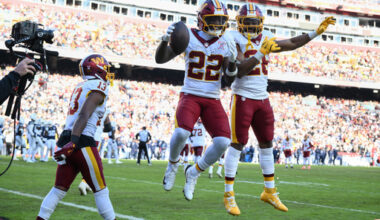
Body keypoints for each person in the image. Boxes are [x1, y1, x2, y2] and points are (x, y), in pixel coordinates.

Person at [223, 3, 336, 215]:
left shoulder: (266, 36)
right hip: (243, 96)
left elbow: (291, 42)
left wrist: (315, 33)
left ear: (261, 23)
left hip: (262, 97)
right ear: (239, 23)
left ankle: (270, 191)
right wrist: (259, 54)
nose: (251, 27)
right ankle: (229, 194)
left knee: (267, 143)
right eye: (247, 22)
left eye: (254, 22)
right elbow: (239, 71)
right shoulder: (233, 38)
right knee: (237, 144)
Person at [156, 0, 237, 201]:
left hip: (212, 97)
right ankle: (173, 164)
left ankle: (193, 173)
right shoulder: (188, 36)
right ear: (201, 19)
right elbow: (160, 59)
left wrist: (233, 64)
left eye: (221, 19)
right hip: (191, 93)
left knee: (223, 142)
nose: (218, 23)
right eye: (214, 19)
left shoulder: (225, 40)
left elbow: (229, 79)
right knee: (182, 132)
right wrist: (164, 41)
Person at [36, 54, 116, 220]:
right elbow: (84, 114)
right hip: (81, 140)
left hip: (68, 137)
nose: (107, 73)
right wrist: (74, 142)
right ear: (97, 69)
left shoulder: (81, 85)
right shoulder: (99, 85)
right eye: (105, 69)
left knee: (58, 189)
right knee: (101, 190)